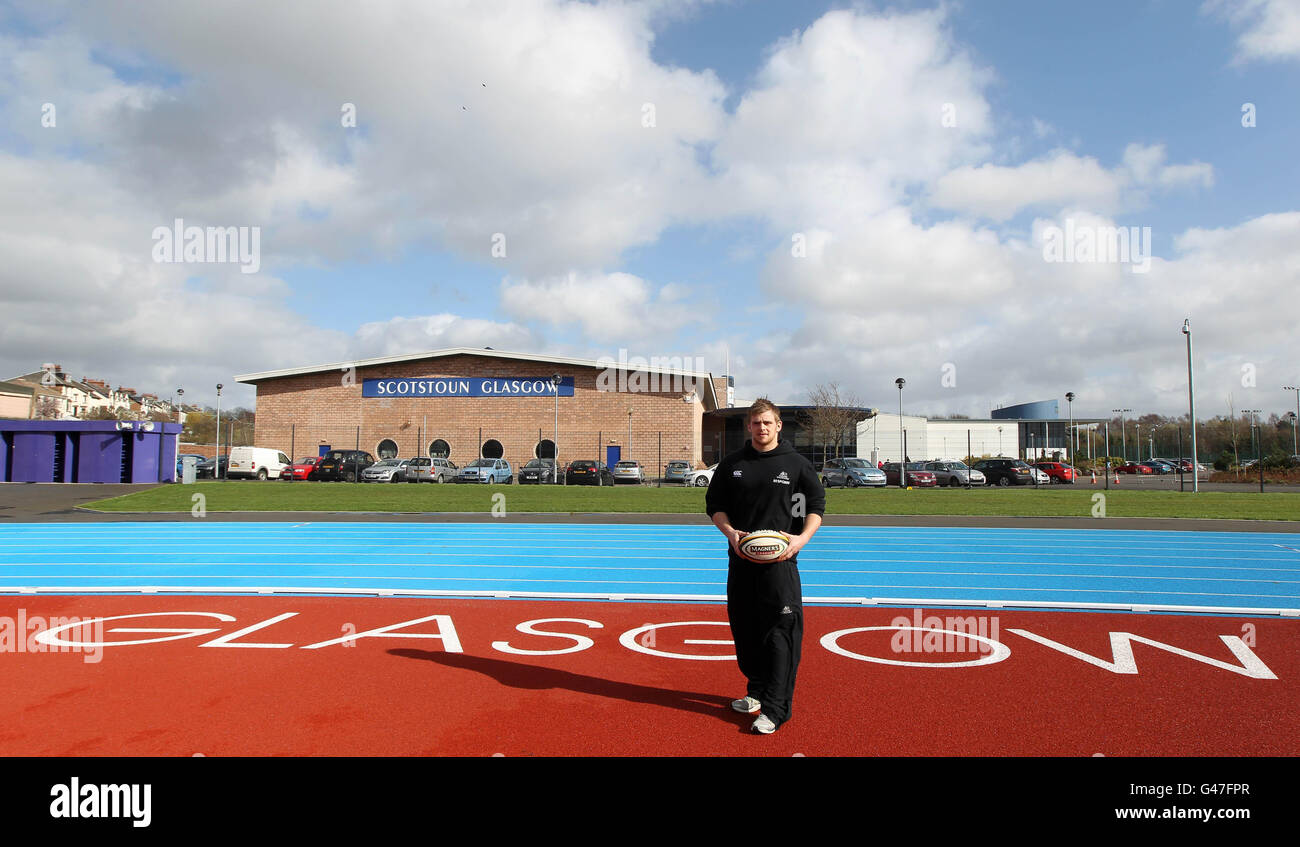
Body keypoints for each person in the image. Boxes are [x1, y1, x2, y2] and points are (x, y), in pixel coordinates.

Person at [705, 398, 825, 734]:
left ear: (778, 425)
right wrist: (731, 534)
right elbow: (714, 505)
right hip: (741, 562)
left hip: (779, 566)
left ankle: (776, 709)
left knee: (780, 636)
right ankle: (756, 691)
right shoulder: (732, 464)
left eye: (768, 423)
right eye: (756, 423)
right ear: (749, 426)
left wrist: (800, 541)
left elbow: (817, 506)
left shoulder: (797, 464)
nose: (762, 428)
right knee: (745, 632)